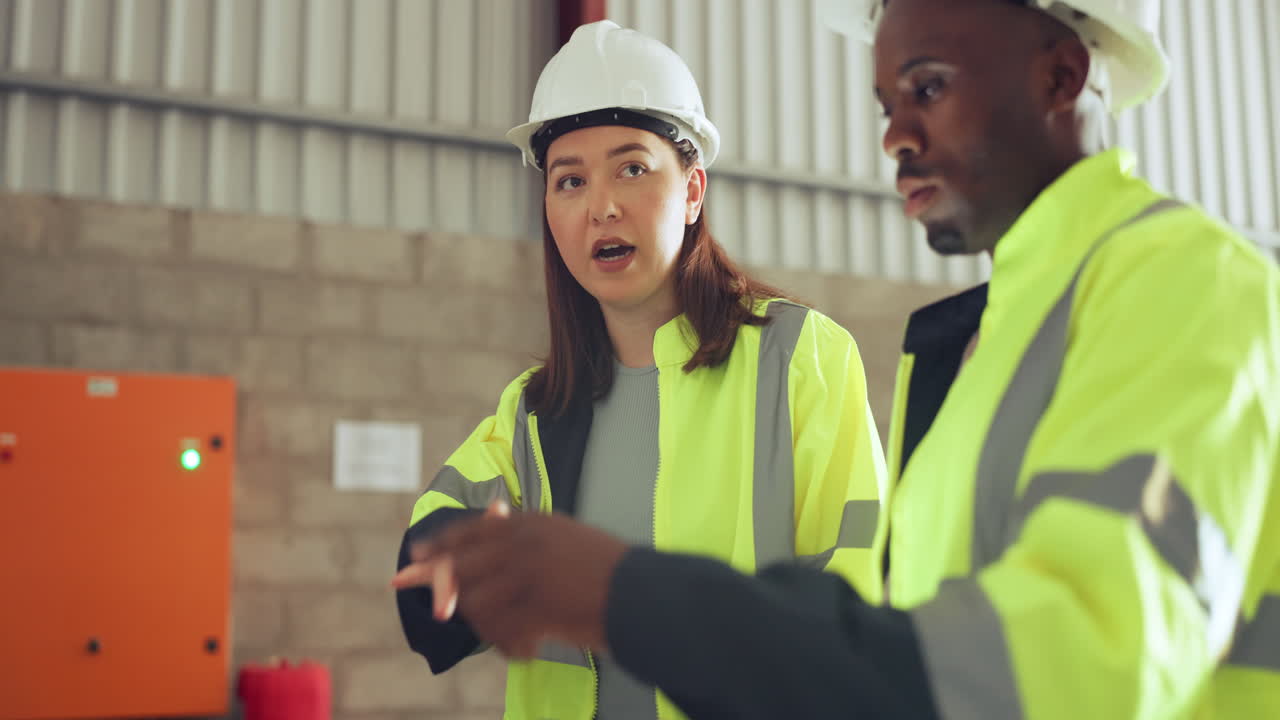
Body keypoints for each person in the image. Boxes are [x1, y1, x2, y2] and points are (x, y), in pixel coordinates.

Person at [393, 1, 1280, 718]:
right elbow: (918, 638)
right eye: (888, 102)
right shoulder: (988, 342)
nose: (895, 135)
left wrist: (622, 596)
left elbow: (1075, 667)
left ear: (1062, 72)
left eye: (927, 86)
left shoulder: (1178, 284)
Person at [392, 19, 888, 720]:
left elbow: (854, 608)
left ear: (692, 191)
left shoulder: (801, 359)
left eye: (633, 167)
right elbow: (438, 529)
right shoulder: (536, 413)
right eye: (570, 180)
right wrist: (450, 564)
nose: (602, 206)